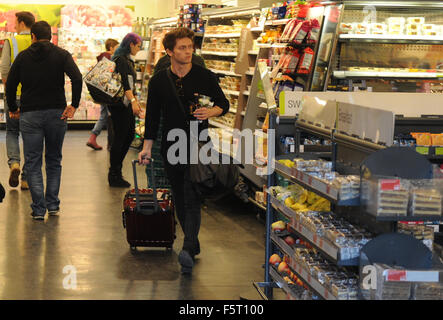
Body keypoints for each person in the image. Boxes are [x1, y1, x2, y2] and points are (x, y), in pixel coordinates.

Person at [138, 28, 229, 274]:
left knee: (192, 193)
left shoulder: (204, 76)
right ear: (169, 52)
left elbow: (224, 104)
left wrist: (211, 112)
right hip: (171, 143)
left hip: (199, 143)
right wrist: (146, 148)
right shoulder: (159, 81)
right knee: (178, 194)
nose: (188, 52)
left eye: (190, 47)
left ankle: (187, 247)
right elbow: (153, 117)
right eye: (182, 48)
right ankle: (193, 239)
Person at [5, 21, 83, 220]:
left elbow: (11, 84)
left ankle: (39, 209)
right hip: (57, 113)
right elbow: (77, 77)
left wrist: (13, 108)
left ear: (32, 36)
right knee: (54, 160)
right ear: (51, 36)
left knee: (33, 161)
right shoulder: (61, 55)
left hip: (30, 114)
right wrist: (73, 104)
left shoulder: (22, 58)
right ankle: (53, 205)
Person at [0, 11, 35, 190]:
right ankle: (26, 179)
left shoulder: (11, 42)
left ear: (21, 23)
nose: (13, 25)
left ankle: (14, 162)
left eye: (15, 22)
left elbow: (4, 69)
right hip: (33, 97)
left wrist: (9, 88)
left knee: (12, 132)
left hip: (14, 95)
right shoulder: (38, 42)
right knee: (31, 136)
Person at [108, 33, 144, 188]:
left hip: (124, 104)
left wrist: (134, 101)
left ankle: (116, 171)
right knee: (121, 137)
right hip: (120, 105)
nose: (139, 49)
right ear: (131, 44)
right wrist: (134, 101)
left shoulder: (126, 60)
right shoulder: (122, 60)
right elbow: (126, 84)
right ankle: (114, 173)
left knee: (127, 136)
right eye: (138, 46)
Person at [86, 38, 119, 151]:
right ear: (111, 48)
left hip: (101, 91)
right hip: (107, 92)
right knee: (106, 116)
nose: (118, 49)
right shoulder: (109, 57)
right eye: (116, 47)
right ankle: (95, 138)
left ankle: (93, 138)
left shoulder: (101, 57)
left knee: (104, 115)